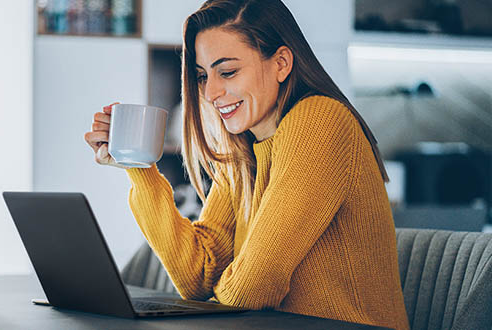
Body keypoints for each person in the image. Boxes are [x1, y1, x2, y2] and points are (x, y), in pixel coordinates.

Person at [84, 0, 409, 329]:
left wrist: (201, 311)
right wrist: (138, 166)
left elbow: (256, 284)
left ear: (281, 63)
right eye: (201, 76)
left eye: (227, 72)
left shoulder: (320, 121)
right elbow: (198, 277)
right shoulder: (243, 152)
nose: (210, 92)